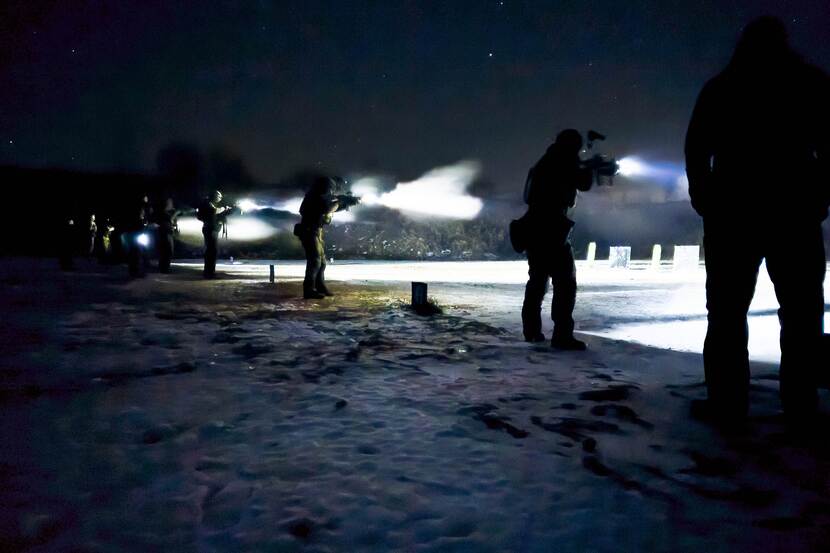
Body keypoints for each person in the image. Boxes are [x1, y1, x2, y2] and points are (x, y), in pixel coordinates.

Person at [685, 16, 829, 421]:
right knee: (801, 313)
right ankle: (800, 403)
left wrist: (705, 197)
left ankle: (727, 403)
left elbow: (697, 148)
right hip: (794, 211)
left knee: (727, 313)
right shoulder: (810, 82)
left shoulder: (722, 87)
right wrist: (819, 196)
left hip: (733, 212)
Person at [521, 129, 593, 350]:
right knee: (565, 283)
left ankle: (532, 331)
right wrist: (589, 166)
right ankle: (562, 336)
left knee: (537, 282)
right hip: (551, 230)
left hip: (535, 229)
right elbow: (584, 184)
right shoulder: (563, 161)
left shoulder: (546, 161)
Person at [296, 176, 345, 299]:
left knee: (321, 262)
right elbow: (325, 208)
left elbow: (327, 208)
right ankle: (309, 290)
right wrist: (339, 202)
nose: (331, 191)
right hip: (309, 231)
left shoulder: (318, 197)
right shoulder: (313, 197)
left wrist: (344, 203)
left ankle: (319, 286)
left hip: (316, 231)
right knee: (315, 261)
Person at [197, 190, 230, 278]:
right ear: (214, 196)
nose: (220, 198)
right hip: (210, 229)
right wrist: (223, 208)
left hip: (211, 229)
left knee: (211, 251)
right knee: (211, 251)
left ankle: (209, 272)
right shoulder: (207, 203)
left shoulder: (208, 203)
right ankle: (209, 273)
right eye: (219, 196)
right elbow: (213, 211)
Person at [155, 198, 180, 273]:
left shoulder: (168, 212)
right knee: (167, 250)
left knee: (168, 251)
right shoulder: (163, 212)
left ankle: (165, 267)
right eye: (169, 203)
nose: (171, 204)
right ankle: (164, 268)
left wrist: (175, 229)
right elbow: (170, 220)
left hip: (169, 232)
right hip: (164, 233)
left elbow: (173, 222)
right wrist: (176, 213)